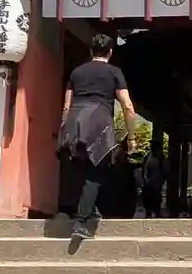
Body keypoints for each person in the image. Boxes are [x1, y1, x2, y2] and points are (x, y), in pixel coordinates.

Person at [56, 34, 137, 242]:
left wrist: (65, 129)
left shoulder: (76, 72)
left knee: (79, 170)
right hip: (99, 122)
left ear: (91, 51)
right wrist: (131, 137)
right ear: (110, 52)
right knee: (95, 173)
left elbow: (66, 106)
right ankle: (81, 222)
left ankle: (90, 211)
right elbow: (127, 106)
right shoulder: (114, 72)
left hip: (75, 121)